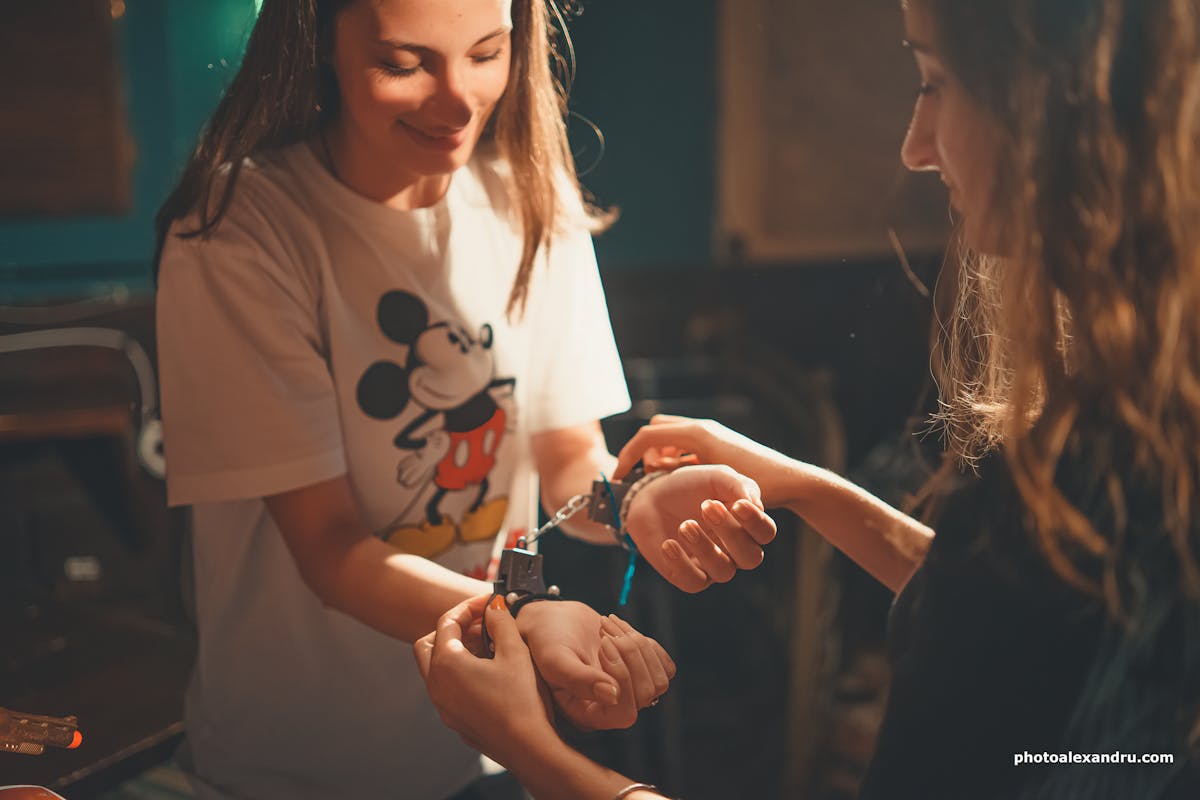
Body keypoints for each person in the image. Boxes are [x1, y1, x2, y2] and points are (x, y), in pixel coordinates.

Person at [415, 0, 1200, 797]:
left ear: (1049, 108)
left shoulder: (1082, 478)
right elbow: (1019, 637)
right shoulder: (1143, 439)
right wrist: (803, 486)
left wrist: (532, 750)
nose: (916, 148)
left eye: (934, 83)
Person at [153, 0, 777, 797]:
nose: (458, 101)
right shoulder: (243, 230)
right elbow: (331, 549)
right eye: (405, 64)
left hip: (483, 751)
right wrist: (523, 612)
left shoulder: (529, 201)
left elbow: (565, 458)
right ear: (319, 43)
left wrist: (638, 501)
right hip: (290, 765)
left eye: (487, 53)